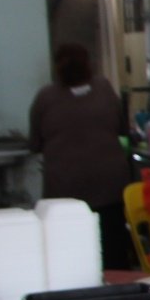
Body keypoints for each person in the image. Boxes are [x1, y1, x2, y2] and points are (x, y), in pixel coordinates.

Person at [28, 42, 135, 269]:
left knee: (68, 253)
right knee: (113, 248)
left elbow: (34, 143)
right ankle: (119, 294)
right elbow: (123, 129)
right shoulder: (104, 89)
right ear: (89, 64)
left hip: (64, 189)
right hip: (109, 185)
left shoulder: (45, 98)